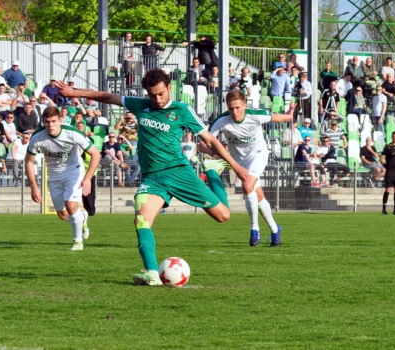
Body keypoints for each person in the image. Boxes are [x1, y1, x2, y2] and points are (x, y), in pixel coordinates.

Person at [54, 69, 249, 285]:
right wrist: (76, 92)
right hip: (152, 179)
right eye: (152, 95)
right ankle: (153, 273)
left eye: (161, 94)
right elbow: (108, 96)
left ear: (169, 88)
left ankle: (212, 171)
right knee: (141, 219)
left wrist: (237, 167)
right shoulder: (141, 105)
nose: (157, 99)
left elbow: (210, 140)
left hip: (179, 172)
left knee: (223, 215)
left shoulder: (182, 110)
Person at [204, 90, 292, 246]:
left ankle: (254, 230)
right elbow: (204, 142)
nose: (234, 112)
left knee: (247, 185)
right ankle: (274, 229)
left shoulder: (255, 115)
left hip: (258, 154)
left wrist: (290, 115)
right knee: (257, 195)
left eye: (238, 107)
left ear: (245, 105)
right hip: (239, 161)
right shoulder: (221, 121)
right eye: (231, 108)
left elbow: (277, 118)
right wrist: (211, 150)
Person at [25, 107, 101, 250]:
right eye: (47, 122)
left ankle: (77, 242)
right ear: (43, 122)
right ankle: (82, 218)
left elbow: (96, 154)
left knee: (71, 205)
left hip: (74, 171)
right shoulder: (37, 137)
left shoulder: (72, 132)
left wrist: (87, 178)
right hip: (54, 175)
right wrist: (34, 186)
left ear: (60, 120)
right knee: (63, 214)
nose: (50, 125)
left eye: (54, 121)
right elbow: (28, 161)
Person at [380, 131, 395, 215]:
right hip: (390, 171)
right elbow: (381, 159)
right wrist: (387, 166)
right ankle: (384, 209)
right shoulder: (387, 147)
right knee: (388, 189)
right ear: (391, 137)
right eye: (393, 137)